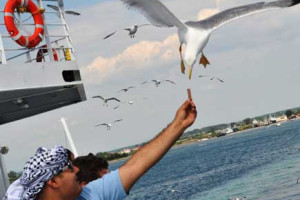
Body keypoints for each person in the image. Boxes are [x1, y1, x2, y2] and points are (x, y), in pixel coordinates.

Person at [3, 98, 197, 200]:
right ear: (53, 181)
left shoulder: (89, 194)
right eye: (69, 168)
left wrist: (178, 125)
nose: (77, 169)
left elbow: (136, 165)